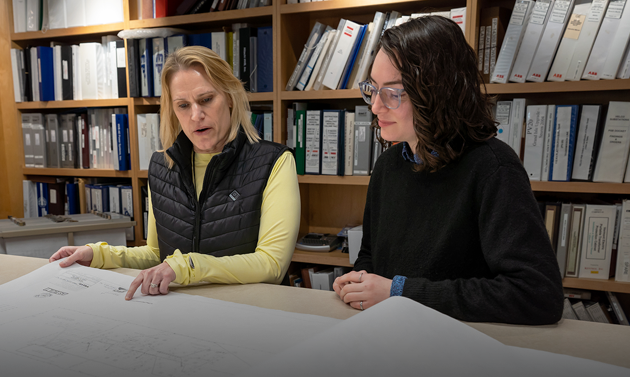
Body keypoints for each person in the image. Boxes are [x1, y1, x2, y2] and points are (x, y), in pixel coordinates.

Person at [332, 16, 564, 325]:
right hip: (391, 337)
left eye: (392, 92)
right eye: (372, 89)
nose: (375, 106)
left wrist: (399, 292)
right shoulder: (389, 165)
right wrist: (358, 280)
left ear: (437, 92)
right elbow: (372, 256)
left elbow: (538, 294)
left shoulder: (493, 167)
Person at [50, 46, 300, 300]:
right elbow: (156, 255)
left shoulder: (274, 162)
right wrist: (99, 255)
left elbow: (272, 265)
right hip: (178, 315)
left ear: (230, 97)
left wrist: (187, 266)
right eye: (183, 105)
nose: (196, 115)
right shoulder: (161, 166)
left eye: (206, 100)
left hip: (250, 315)